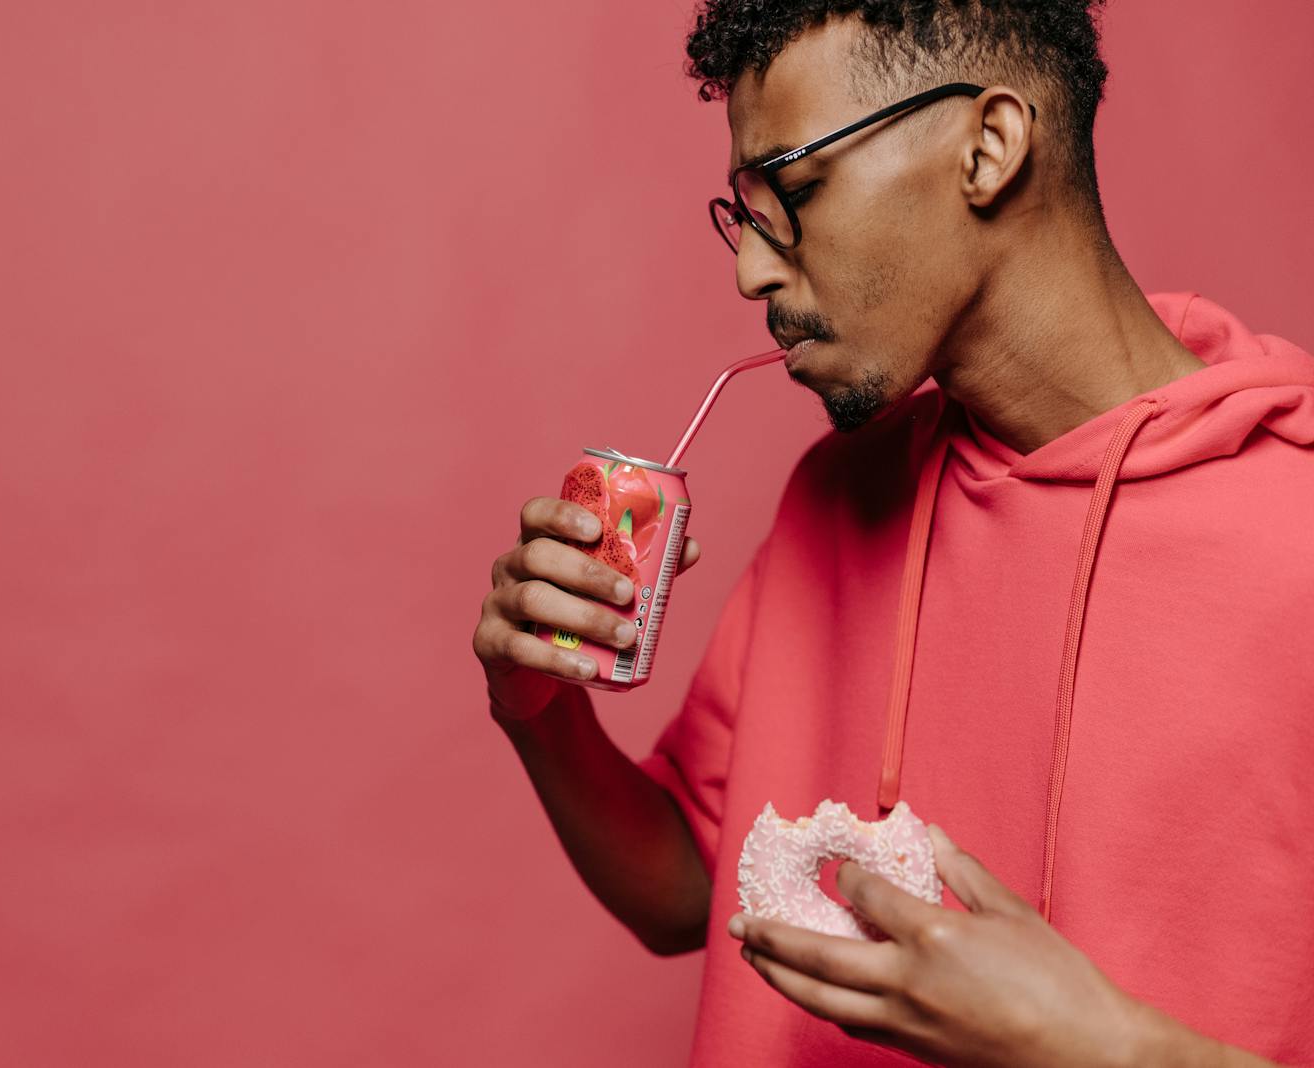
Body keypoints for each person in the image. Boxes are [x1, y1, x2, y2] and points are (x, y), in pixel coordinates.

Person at [471, 2, 1314, 1065]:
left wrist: (1107, 1051)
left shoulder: (1295, 542)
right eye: (748, 212)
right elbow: (685, 886)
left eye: (799, 191)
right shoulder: (839, 492)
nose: (752, 274)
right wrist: (538, 709)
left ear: (990, 146)